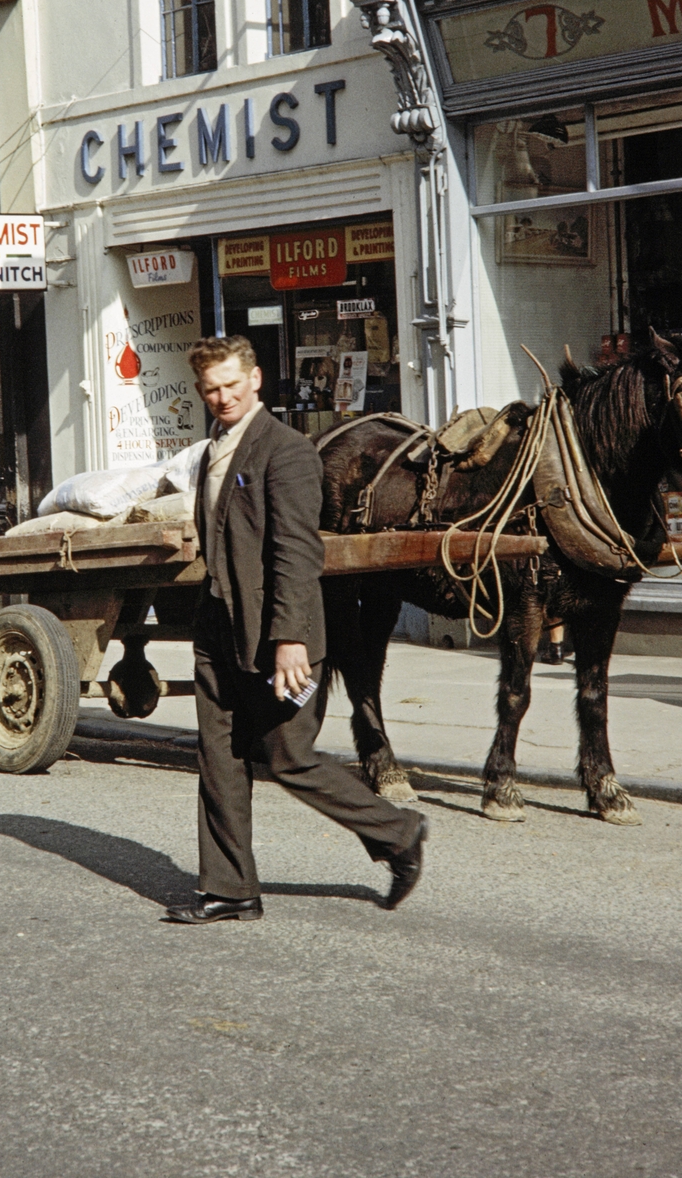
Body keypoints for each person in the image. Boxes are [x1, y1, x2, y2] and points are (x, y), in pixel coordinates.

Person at [164, 335, 427, 926]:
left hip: (276, 636)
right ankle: (230, 889)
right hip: (219, 628)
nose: (223, 396)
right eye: (212, 389)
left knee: (290, 758)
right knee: (219, 757)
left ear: (255, 380)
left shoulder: (286, 452)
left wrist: (291, 640)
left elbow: (296, 554)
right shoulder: (213, 452)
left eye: (233, 384)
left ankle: (399, 831)